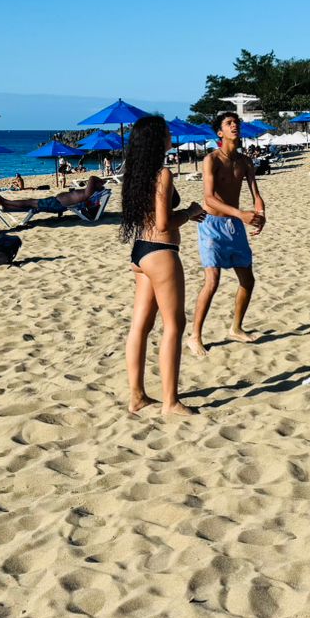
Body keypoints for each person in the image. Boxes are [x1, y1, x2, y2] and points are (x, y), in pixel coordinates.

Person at [118, 115, 205, 416]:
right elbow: (164, 223)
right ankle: (170, 401)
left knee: (140, 326)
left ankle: (137, 397)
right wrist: (191, 212)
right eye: (167, 132)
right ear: (157, 139)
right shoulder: (162, 173)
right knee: (174, 325)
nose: (171, 135)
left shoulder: (135, 173)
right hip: (161, 252)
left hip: (141, 252)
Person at [190, 112, 266, 354]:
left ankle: (236, 328)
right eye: (229, 123)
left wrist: (260, 213)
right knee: (212, 281)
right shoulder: (211, 159)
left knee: (248, 280)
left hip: (234, 225)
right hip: (211, 224)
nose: (235, 126)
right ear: (220, 133)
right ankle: (195, 336)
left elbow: (256, 193)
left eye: (236, 123)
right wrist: (240, 214)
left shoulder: (245, 161)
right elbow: (209, 198)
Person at [0, 176, 106, 215]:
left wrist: (101, 181)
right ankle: (7, 205)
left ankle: (5, 202)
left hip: (56, 204)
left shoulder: (88, 194)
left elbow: (92, 178)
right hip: (56, 202)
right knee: (31, 202)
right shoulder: (89, 195)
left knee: (30, 202)